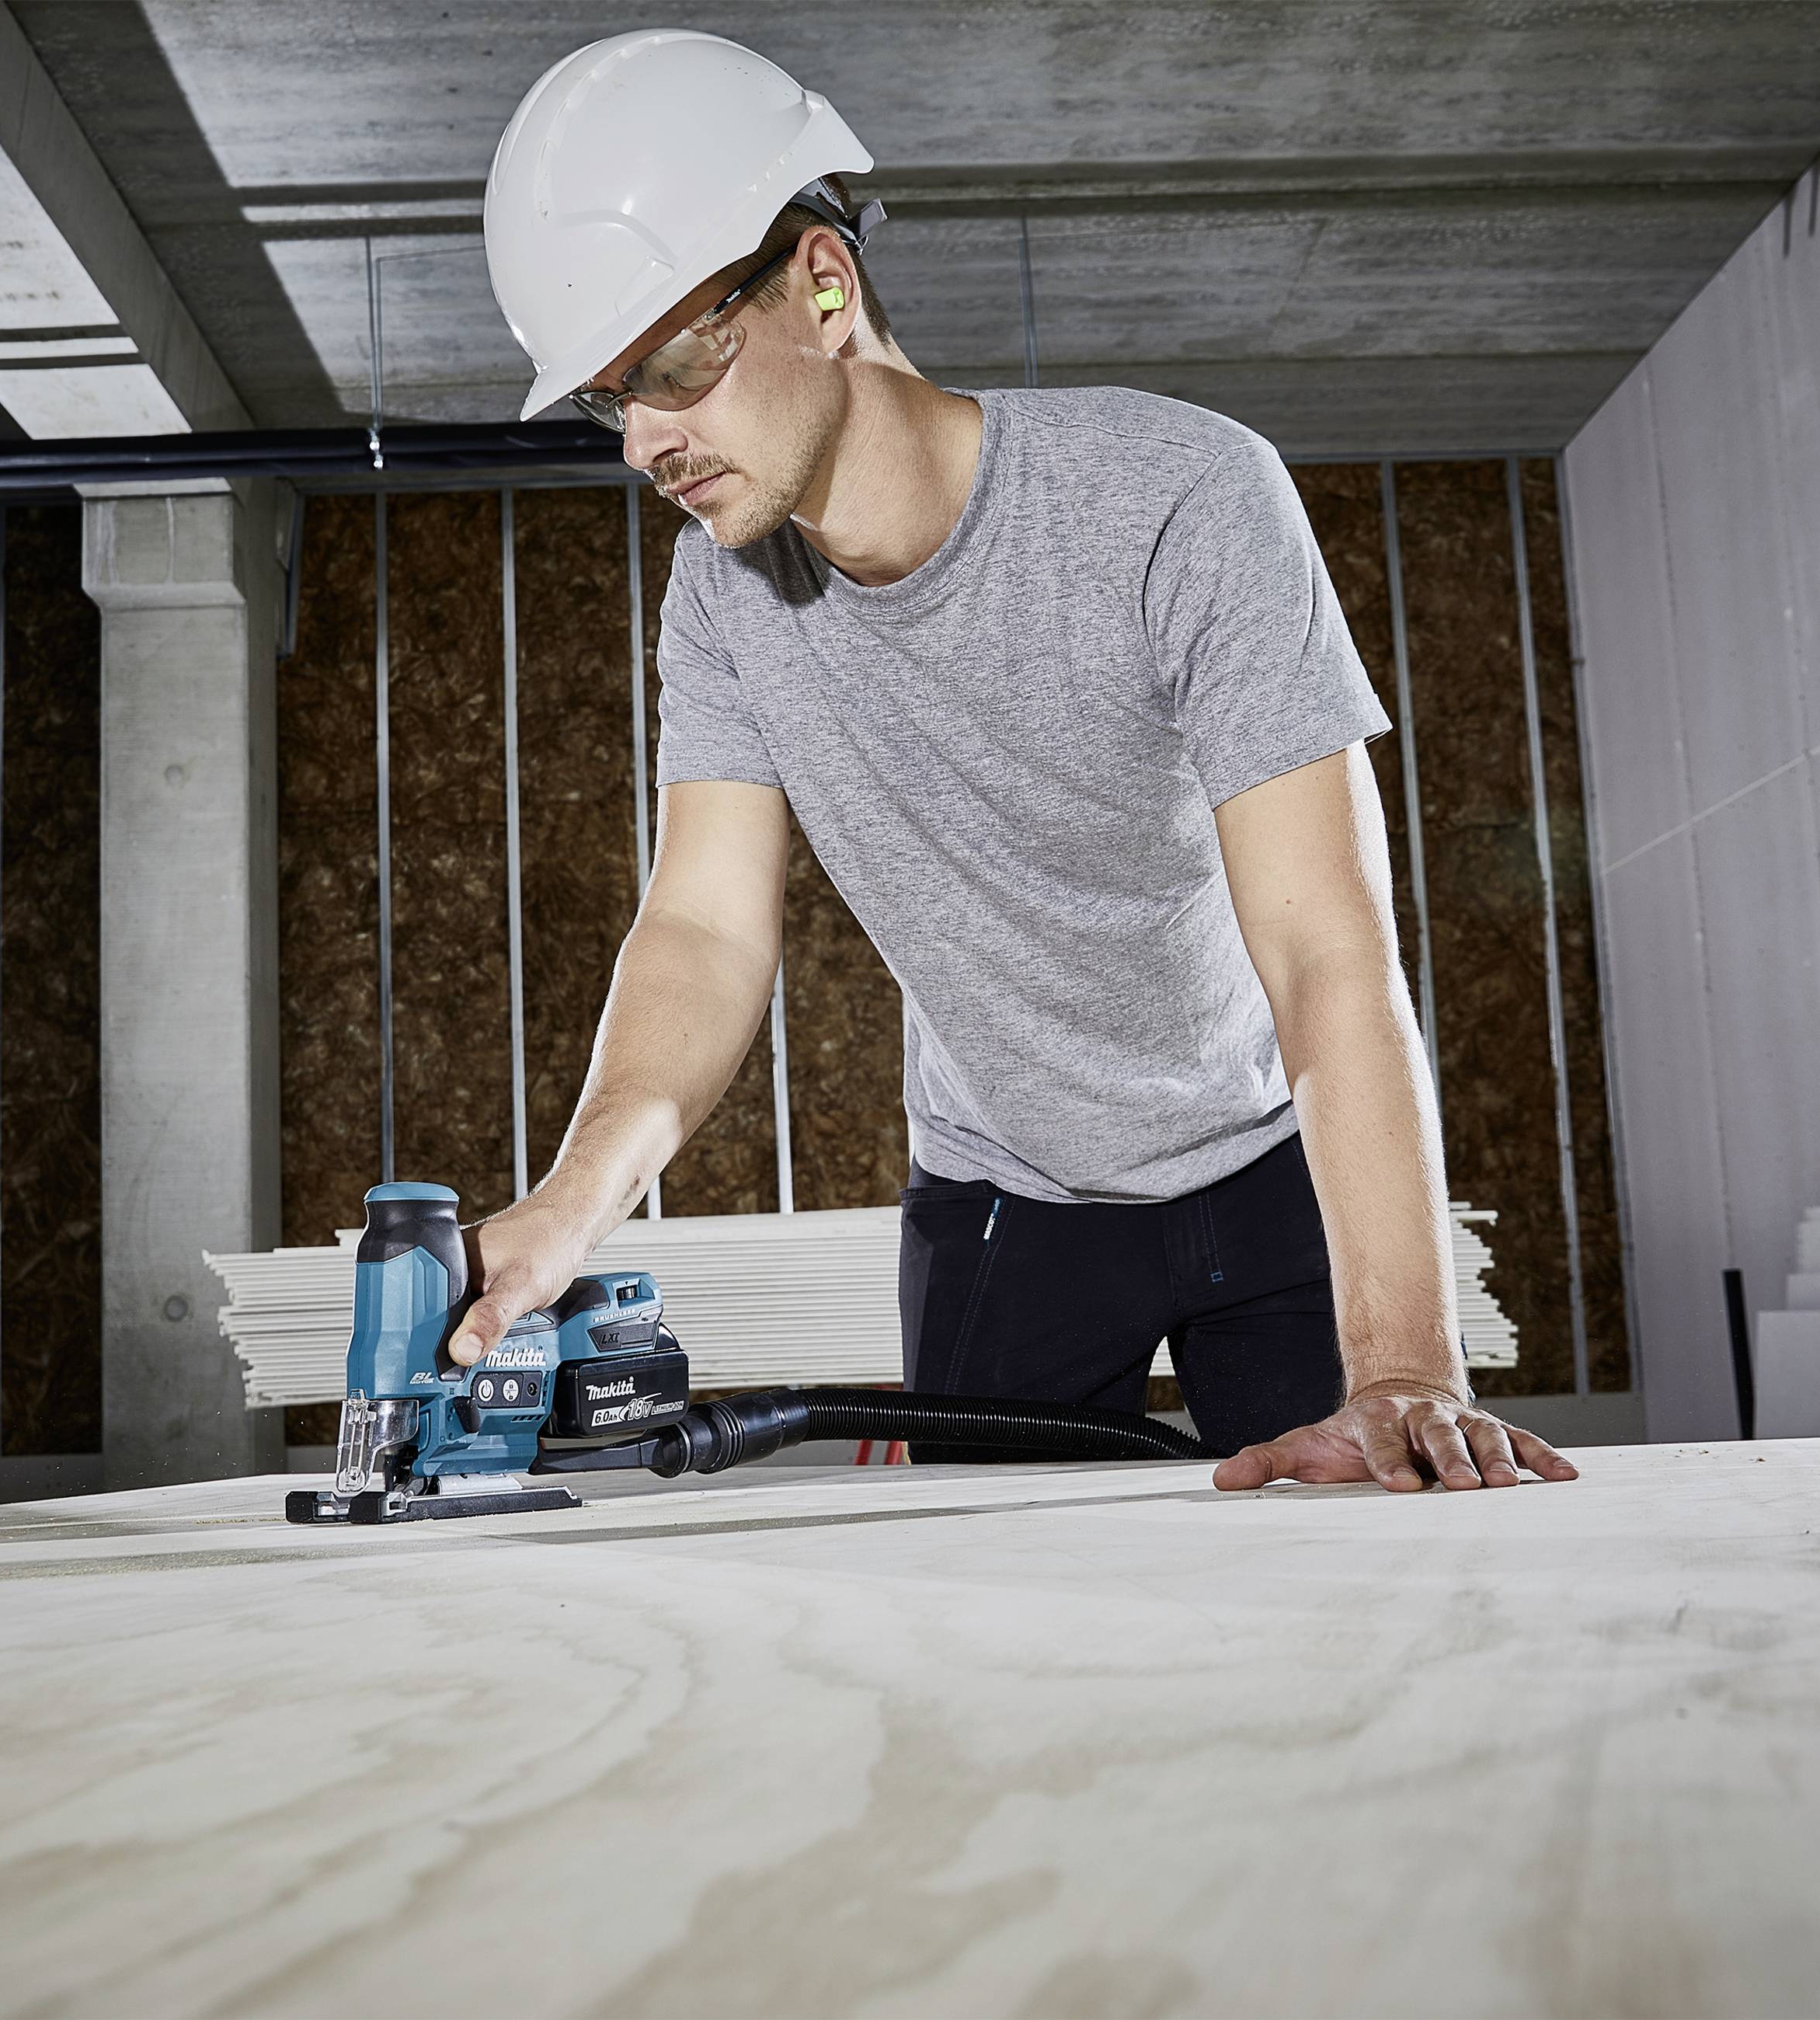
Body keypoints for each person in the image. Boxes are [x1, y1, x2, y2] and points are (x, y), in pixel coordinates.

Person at [454, 28, 1578, 1496]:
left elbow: (1324, 954)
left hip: (1270, 1166)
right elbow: (704, 929)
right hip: (1007, 1202)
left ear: (825, 283)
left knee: (1359, 1571)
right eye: (615, 398)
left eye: (673, 362)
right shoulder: (721, 599)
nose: (645, 442)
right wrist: (571, 1205)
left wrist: (1409, 1370)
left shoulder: (1180, 499)